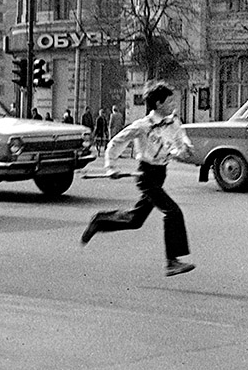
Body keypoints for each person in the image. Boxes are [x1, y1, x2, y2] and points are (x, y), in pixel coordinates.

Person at [80, 82, 196, 277]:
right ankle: (172, 262)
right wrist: (110, 167)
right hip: (146, 174)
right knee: (173, 212)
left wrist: (184, 150)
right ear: (158, 103)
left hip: (160, 173)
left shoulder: (173, 122)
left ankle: (100, 220)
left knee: (135, 220)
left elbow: (179, 142)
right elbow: (117, 142)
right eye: (169, 101)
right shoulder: (143, 126)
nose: (173, 104)